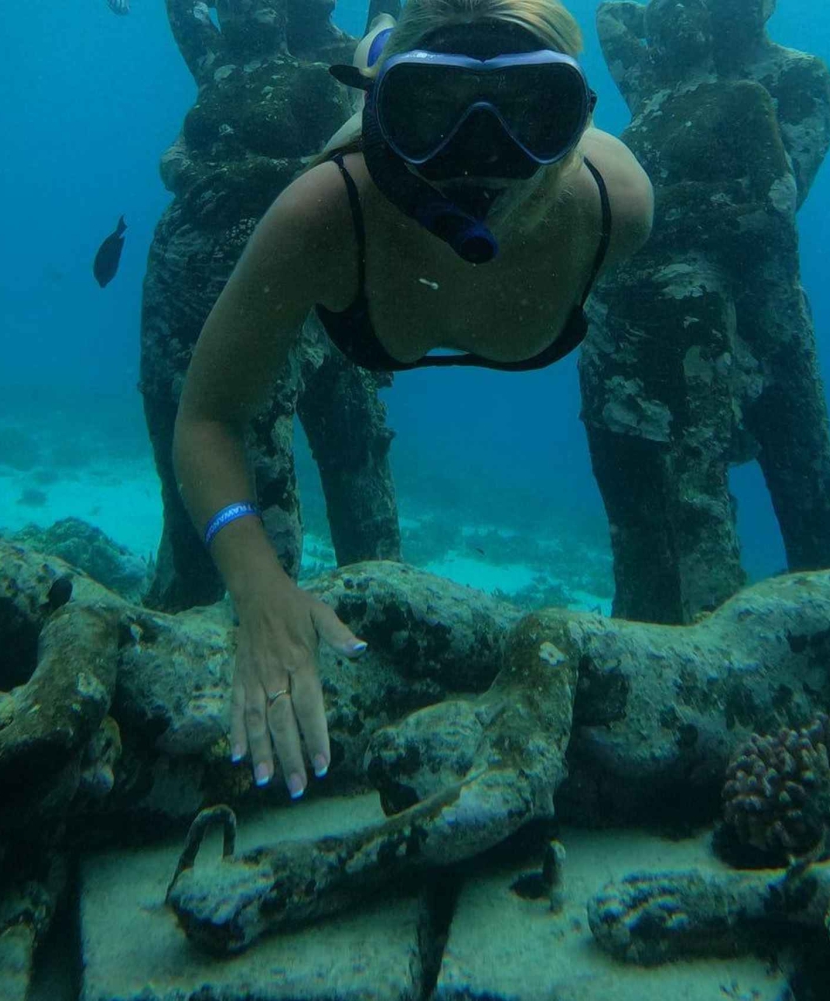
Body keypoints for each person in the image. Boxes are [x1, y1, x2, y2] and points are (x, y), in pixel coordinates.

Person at [173, 0, 654, 801]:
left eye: (533, 110)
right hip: (373, 126)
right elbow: (206, 417)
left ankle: (408, 56)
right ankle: (387, 42)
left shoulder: (615, 207)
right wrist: (256, 584)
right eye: (430, 108)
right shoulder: (323, 214)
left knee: (432, 53)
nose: (481, 157)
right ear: (386, 109)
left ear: (573, 115)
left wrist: (442, 101)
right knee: (390, 41)